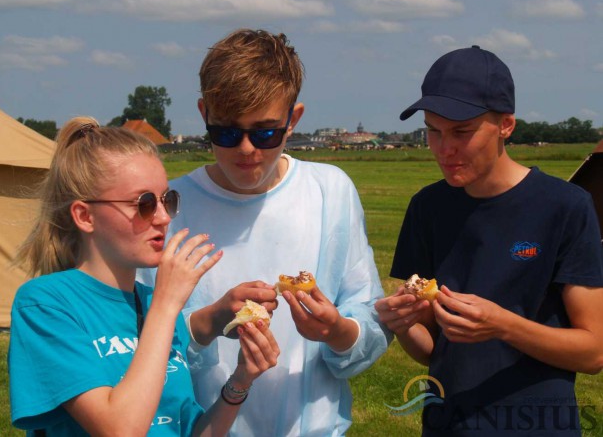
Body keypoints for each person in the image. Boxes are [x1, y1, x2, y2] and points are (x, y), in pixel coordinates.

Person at [137, 28, 391, 436]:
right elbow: (138, 343)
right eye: (225, 132)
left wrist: (336, 330)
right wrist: (209, 320)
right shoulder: (170, 206)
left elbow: (369, 320)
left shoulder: (330, 192)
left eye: (266, 132)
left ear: (295, 119)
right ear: (204, 114)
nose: (246, 149)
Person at [375, 46, 603, 435]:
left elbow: (593, 351)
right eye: (433, 130)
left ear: (506, 125)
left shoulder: (565, 207)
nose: (444, 149)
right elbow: (432, 351)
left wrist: (502, 326)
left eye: (462, 132)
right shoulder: (427, 208)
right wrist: (402, 325)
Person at [8, 117, 279, 435]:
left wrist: (240, 381)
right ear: (85, 216)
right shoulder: (45, 305)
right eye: (145, 204)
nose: (164, 218)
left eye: (168, 200)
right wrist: (166, 305)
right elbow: (120, 429)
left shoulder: (153, 305)